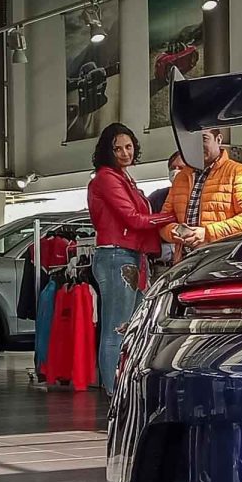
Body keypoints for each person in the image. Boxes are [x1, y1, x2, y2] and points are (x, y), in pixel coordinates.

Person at [86, 123, 176, 395]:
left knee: (129, 327)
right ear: (108, 151)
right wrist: (172, 217)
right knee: (117, 329)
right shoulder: (107, 179)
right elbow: (134, 219)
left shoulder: (121, 178)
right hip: (118, 255)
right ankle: (116, 392)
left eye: (128, 147)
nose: (125, 153)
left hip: (127, 256)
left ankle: (121, 390)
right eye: (118, 149)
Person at [158, 128, 242, 262]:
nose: (196, 145)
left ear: (218, 140)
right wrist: (175, 231)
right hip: (185, 261)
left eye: (204, 139)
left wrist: (207, 233)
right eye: (191, 140)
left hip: (221, 260)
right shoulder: (181, 178)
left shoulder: (238, 172)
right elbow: (163, 221)